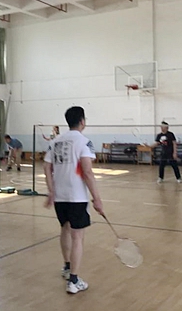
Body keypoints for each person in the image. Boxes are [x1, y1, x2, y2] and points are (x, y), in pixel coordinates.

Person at [44, 106, 104, 294]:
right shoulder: (85, 142)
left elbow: (46, 168)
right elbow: (87, 171)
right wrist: (97, 199)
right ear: (82, 121)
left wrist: (51, 191)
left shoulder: (55, 142)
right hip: (76, 197)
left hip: (60, 197)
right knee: (77, 237)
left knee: (65, 229)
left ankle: (67, 267)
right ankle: (74, 280)